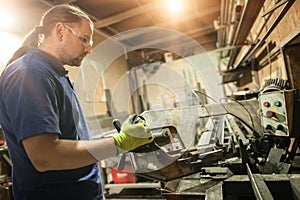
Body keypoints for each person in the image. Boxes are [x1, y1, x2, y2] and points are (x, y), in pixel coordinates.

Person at [0, 4, 153, 200]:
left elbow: (71, 139)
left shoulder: (55, 74)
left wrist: (112, 138)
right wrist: (119, 143)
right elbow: (44, 156)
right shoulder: (31, 73)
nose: (89, 49)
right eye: (84, 39)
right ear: (61, 31)